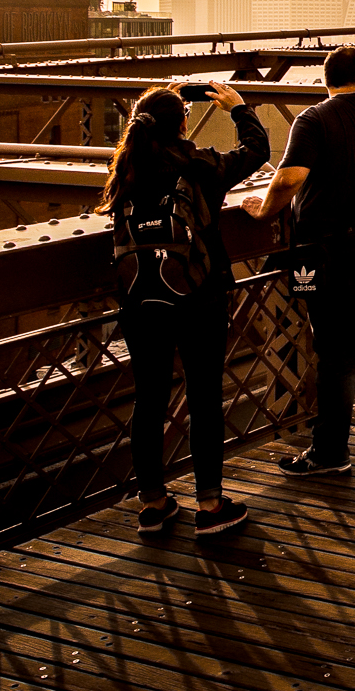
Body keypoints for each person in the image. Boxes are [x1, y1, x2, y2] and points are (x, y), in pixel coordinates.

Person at [245, 46, 355, 475]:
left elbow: (290, 177)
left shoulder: (314, 119)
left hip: (338, 252)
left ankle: (330, 452)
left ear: (326, 82)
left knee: (338, 351)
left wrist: (265, 210)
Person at [103, 81, 267, 538]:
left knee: (149, 397)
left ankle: (153, 504)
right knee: (203, 396)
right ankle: (211, 506)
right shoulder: (197, 164)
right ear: (183, 123)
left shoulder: (126, 168)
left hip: (141, 299)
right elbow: (257, 149)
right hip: (199, 294)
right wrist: (238, 108)